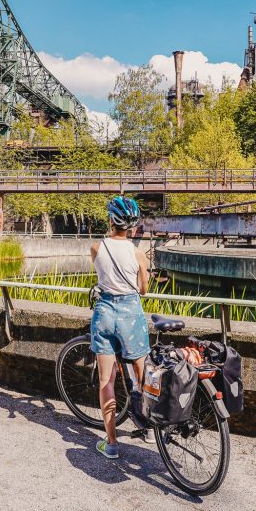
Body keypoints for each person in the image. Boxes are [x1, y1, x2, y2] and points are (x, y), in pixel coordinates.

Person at [90, 195, 150, 459]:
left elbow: (102, 276)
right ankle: (149, 428)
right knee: (143, 376)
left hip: (104, 313)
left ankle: (111, 443)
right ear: (133, 226)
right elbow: (143, 290)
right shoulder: (139, 254)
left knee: (107, 380)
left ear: (110, 220)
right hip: (130, 313)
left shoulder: (96, 248)